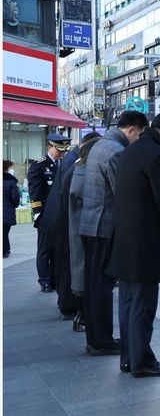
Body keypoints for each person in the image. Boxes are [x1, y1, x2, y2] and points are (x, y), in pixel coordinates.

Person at [104, 111, 160, 377]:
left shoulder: (131, 150)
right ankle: (142, 361)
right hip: (145, 242)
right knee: (143, 303)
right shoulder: (158, 155)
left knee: (128, 302)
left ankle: (129, 358)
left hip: (124, 238)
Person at [79, 111, 149, 356]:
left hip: (91, 224)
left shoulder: (100, 145)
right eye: (139, 135)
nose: (138, 140)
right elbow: (124, 192)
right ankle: (101, 340)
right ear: (131, 130)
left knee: (94, 284)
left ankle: (96, 337)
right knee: (101, 286)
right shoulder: (116, 152)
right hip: (103, 225)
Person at [44, 132, 102, 320]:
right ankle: (68, 306)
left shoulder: (73, 159)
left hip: (62, 221)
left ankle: (67, 305)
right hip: (64, 223)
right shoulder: (76, 163)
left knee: (67, 265)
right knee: (68, 266)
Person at [65, 136, 103, 332]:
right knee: (85, 275)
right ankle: (84, 316)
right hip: (85, 230)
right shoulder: (84, 171)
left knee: (81, 272)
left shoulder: (77, 167)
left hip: (77, 229)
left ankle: (82, 315)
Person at [28, 133, 71, 292]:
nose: (62, 153)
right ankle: (45, 279)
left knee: (58, 248)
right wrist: (39, 213)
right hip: (46, 214)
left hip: (62, 214)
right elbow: (35, 192)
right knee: (45, 249)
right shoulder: (39, 165)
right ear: (49, 147)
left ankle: (55, 277)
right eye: (59, 150)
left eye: (64, 150)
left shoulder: (65, 164)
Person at [3, 160, 20, 259]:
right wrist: (14, 205)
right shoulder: (11, 181)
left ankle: (6, 249)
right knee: (5, 231)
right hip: (7, 210)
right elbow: (15, 197)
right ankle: (5, 250)